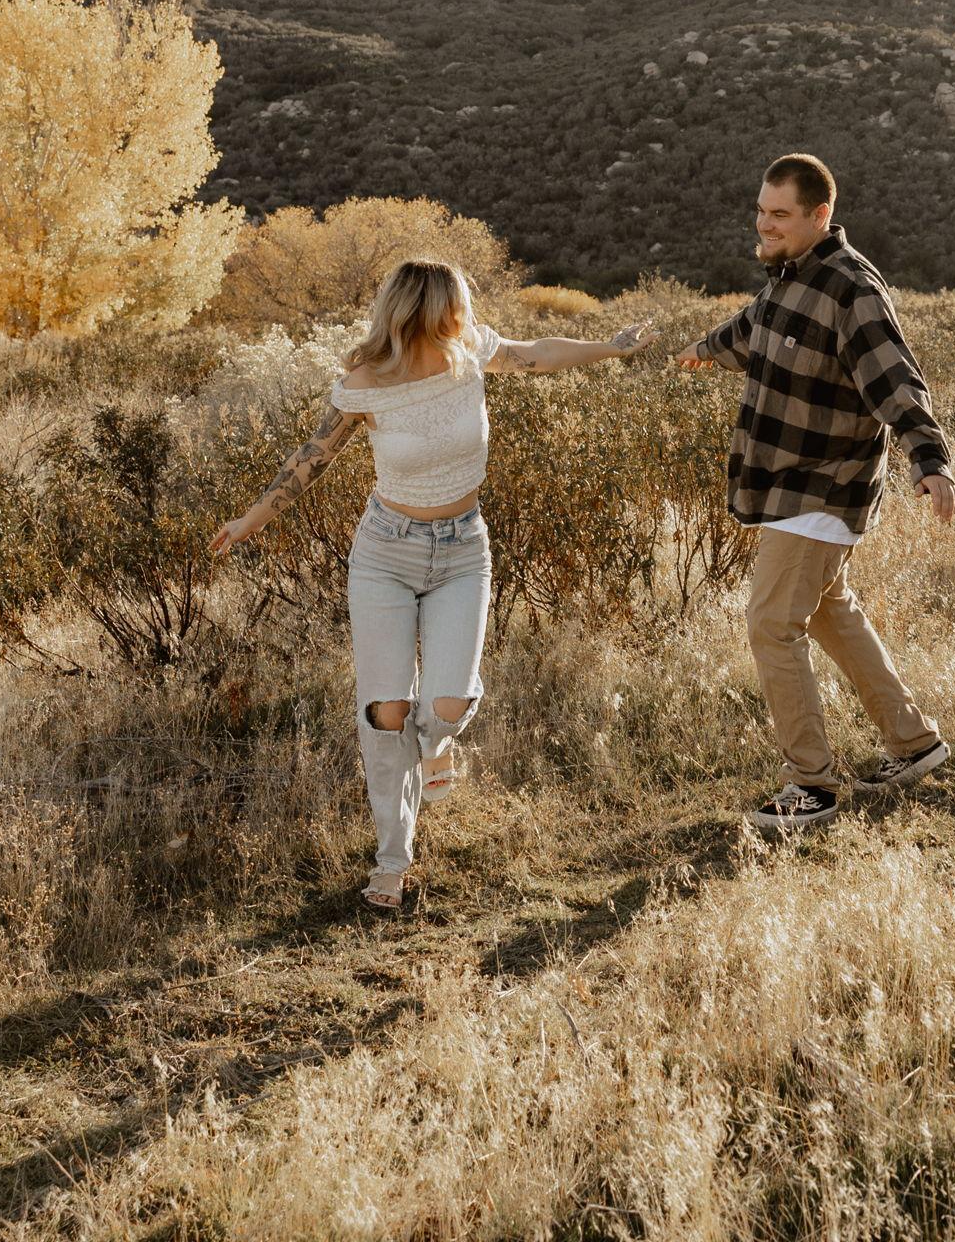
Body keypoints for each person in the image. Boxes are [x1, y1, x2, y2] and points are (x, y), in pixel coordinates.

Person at [211, 259, 656, 911]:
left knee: (447, 703)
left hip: (462, 550)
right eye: (454, 307)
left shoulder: (469, 352)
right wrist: (252, 518)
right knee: (386, 713)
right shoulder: (365, 383)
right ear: (423, 310)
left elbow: (537, 353)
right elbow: (312, 457)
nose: (462, 317)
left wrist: (610, 347)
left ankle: (436, 747)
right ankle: (392, 863)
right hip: (385, 554)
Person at [675, 153, 955, 833]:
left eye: (780, 214)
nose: (764, 224)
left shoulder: (852, 289)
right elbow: (751, 330)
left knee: (773, 624)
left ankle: (812, 786)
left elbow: (895, 378)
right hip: (787, 486)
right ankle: (914, 743)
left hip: (825, 485)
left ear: (819, 215)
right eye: (761, 211)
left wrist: (929, 457)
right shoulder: (788, 277)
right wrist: (700, 350)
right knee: (831, 610)